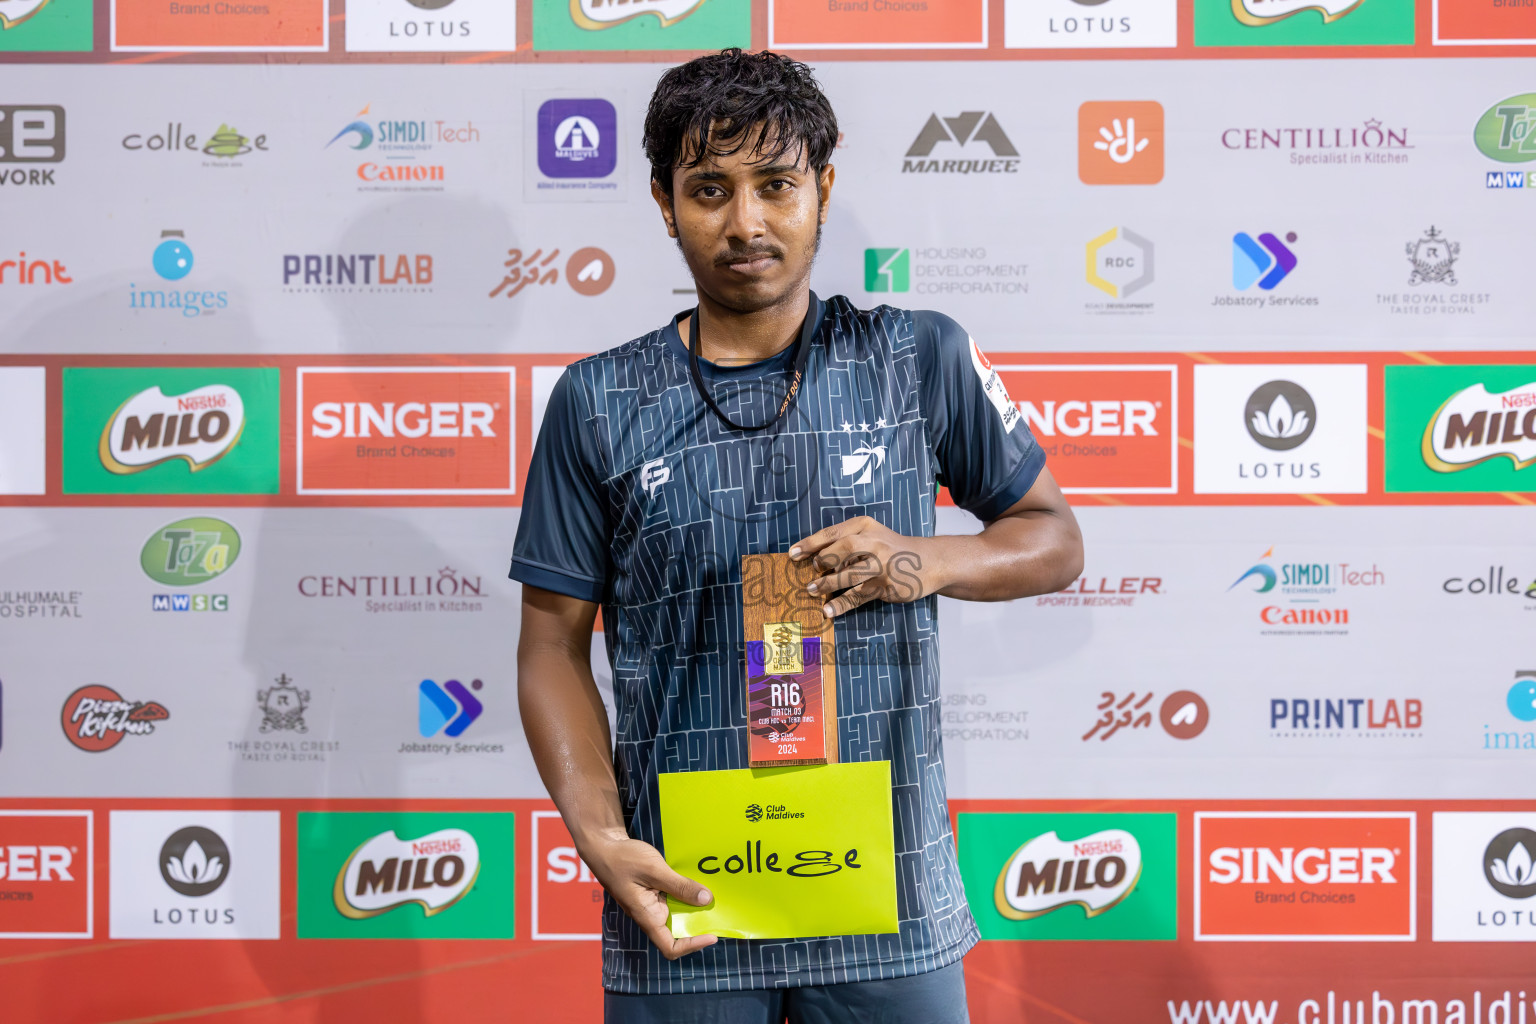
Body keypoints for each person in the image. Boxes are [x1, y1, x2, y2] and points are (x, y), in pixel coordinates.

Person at [511, 49, 1084, 1024]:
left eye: (776, 185)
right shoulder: (597, 399)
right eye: (709, 190)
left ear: (823, 184)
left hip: (888, 903)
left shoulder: (916, 356)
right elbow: (550, 642)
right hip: (688, 904)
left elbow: (1051, 539)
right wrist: (600, 835)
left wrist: (924, 559)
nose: (746, 223)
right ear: (663, 201)